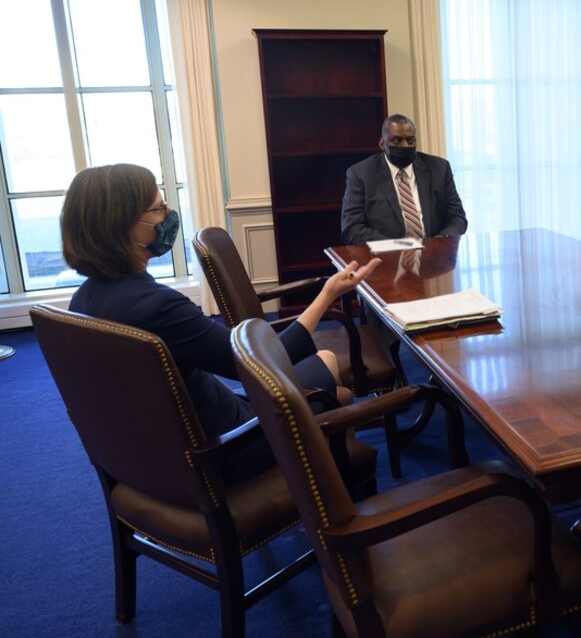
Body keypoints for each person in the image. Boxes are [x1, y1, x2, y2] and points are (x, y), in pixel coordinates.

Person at [62, 164, 380, 482]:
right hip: (226, 449)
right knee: (325, 363)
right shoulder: (158, 307)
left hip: (148, 457)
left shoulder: (82, 302)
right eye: (159, 208)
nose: (168, 215)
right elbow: (268, 364)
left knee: (334, 394)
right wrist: (327, 296)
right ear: (125, 225)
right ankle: (340, 507)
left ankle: (337, 477)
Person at [340, 114, 468, 245]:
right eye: (397, 141)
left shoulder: (439, 168)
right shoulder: (361, 174)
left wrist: (442, 240)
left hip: (434, 253)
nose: (405, 146)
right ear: (382, 143)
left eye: (410, 140)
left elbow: (457, 217)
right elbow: (352, 228)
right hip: (386, 256)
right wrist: (398, 246)